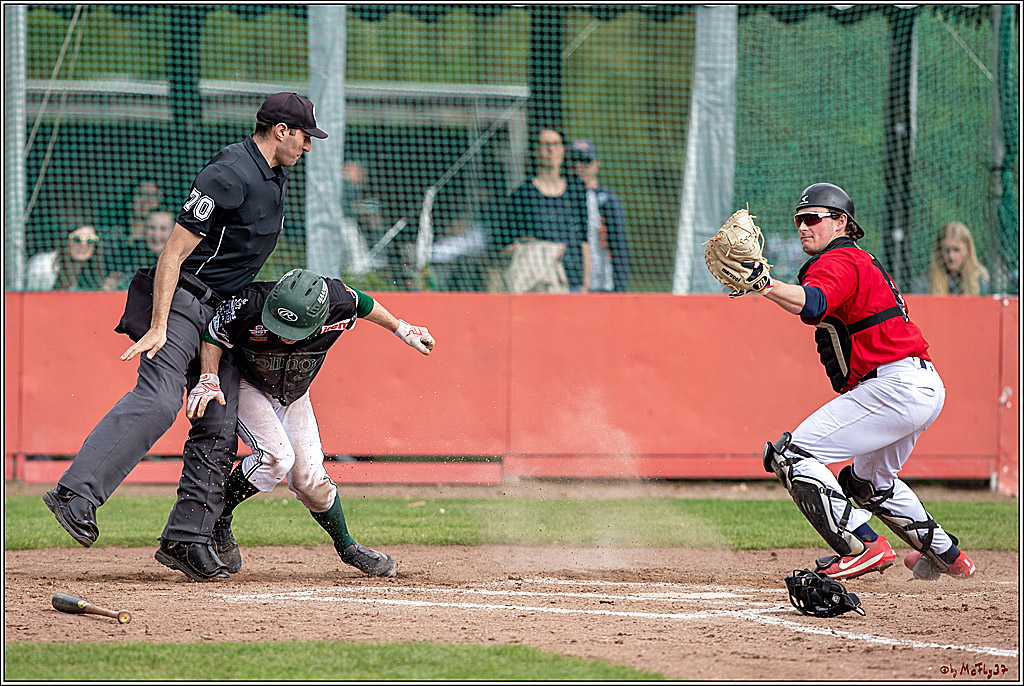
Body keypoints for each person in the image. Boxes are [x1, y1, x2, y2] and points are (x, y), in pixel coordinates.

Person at [43, 92, 328, 582]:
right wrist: (157, 325)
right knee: (158, 401)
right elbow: (172, 255)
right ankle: (76, 493)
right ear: (281, 130)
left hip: (221, 318)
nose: (307, 145)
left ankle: (186, 538)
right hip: (181, 301)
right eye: (304, 135)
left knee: (219, 421)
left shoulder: (274, 175)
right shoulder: (229, 172)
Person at [749, 183, 975, 582]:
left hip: (895, 385)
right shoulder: (854, 260)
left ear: (841, 222)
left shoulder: (839, 259)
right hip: (920, 384)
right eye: (799, 220)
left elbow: (814, 302)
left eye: (813, 219)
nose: (804, 227)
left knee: (793, 454)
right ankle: (949, 557)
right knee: (868, 483)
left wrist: (765, 284)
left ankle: (864, 547)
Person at [185, 268, 434, 577]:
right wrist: (209, 375)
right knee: (277, 458)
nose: (284, 334)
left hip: (294, 392)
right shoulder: (249, 305)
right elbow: (214, 332)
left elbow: (365, 304)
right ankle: (220, 517)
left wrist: (402, 329)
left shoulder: (339, 301)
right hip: (248, 384)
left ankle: (347, 547)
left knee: (308, 478)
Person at [503, 127, 590, 292]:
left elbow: (584, 241)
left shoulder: (576, 190)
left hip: (572, 282)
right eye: (545, 145)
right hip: (539, 283)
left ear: (563, 150)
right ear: (536, 151)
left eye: (556, 144)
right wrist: (545, 251)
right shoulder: (523, 195)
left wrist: (586, 282)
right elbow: (509, 245)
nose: (551, 150)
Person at [570, 139, 629, 292]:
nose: (580, 167)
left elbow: (619, 243)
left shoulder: (607, 199)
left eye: (585, 161)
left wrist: (620, 285)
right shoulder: (566, 197)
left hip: (603, 280)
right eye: (575, 161)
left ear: (596, 164)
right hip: (575, 281)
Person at [25, 224, 119, 291]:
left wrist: (104, 291)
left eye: (90, 240)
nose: (83, 245)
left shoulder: (90, 273)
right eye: (77, 239)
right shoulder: (44, 264)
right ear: (66, 242)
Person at [924, 221, 990, 296]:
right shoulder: (926, 281)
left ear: (967, 250)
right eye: (946, 250)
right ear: (939, 251)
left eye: (956, 250)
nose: (951, 256)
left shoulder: (981, 279)